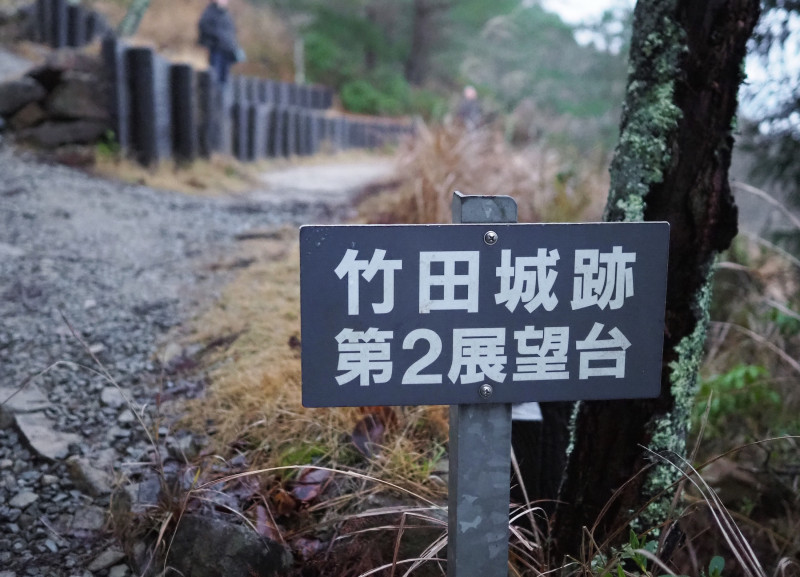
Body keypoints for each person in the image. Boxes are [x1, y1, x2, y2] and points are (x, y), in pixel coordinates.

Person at [198, 0, 245, 85]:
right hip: (216, 49)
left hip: (227, 51)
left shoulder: (226, 14)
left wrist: (235, 48)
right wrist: (218, 37)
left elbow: (232, 33)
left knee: (224, 79)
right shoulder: (210, 12)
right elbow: (203, 26)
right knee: (216, 77)